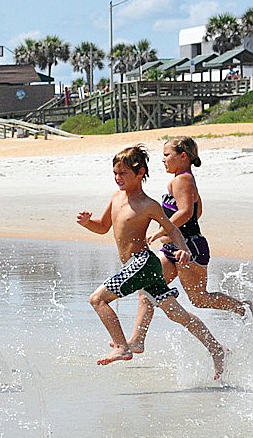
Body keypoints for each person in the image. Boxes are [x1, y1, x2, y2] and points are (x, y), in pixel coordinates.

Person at [76, 145, 225, 378]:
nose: (118, 178)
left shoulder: (148, 205)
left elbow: (173, 229)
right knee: (178, 315)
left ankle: (122, 347)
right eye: (115, 173)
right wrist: (87, 223)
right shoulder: (116, 198)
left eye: (123, 173)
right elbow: (103, 227)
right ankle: (217, 350)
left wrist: (184, 249)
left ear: (140, 173)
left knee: (97, 299)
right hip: (140, 267)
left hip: (143, 263)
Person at [127, 137, 252, 352]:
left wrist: (162, 231)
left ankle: (245, 308)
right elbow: (197, 211)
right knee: (147, 289)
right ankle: (137, 340)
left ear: (182, 156)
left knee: (199, 299)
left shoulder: (182, 180)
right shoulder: (185, 179)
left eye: (167, 155)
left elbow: (186, 212)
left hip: (190, 248)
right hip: (174, 247)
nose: (163, 159)